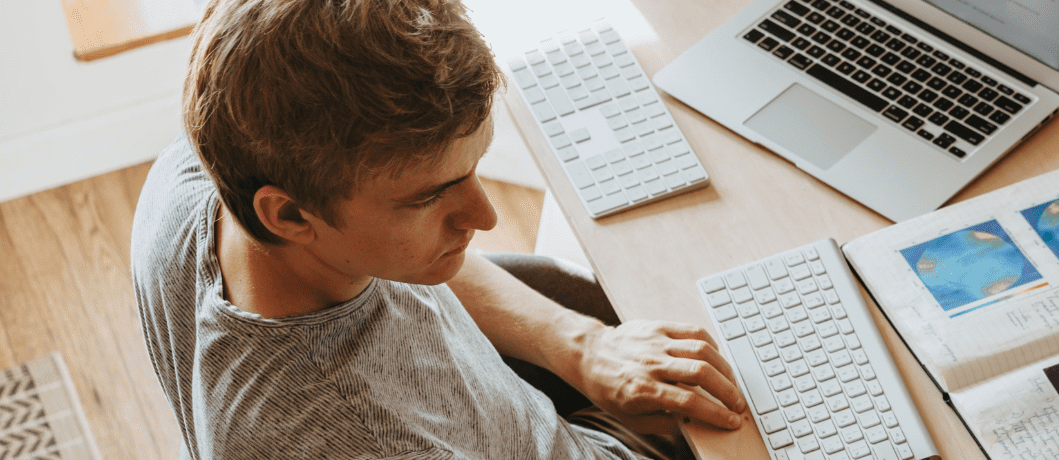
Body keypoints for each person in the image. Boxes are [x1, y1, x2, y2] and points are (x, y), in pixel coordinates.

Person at [128, 0, 746, 457]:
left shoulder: (203, 167)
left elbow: (414, 260)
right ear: (289, 215)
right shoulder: (355, 436)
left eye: (472, 170)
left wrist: (580, 347)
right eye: (431, 196)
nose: (486, 217)